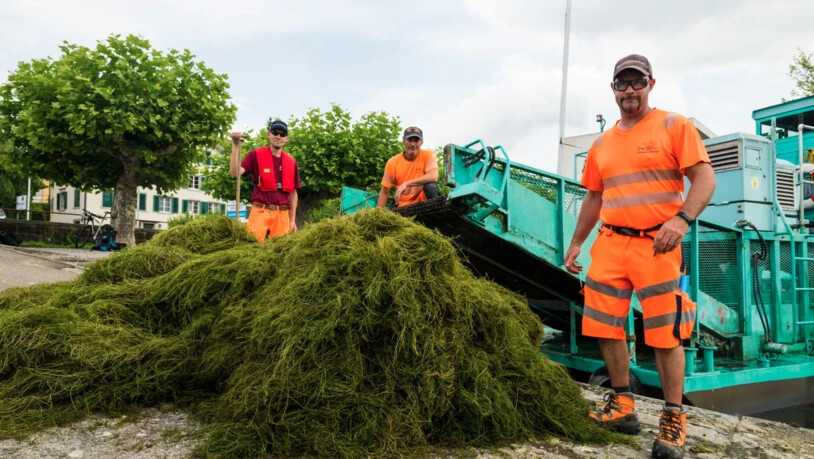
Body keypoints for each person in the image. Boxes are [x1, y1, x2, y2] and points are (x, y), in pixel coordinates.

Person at [563, 54, 716, 459]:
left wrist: (682, 221)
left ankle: (672, 418)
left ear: (651, 83)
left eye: (637, 82)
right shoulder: (602, 143)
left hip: (658, 244)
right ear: (612, 89)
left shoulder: (673, 125)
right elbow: (594, 197)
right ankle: (622, 405)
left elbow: (704, 177)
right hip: (611, 244)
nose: (630, 90)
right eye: (622, 83)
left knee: (665, 333)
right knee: (605, 327)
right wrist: (578, 242)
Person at [229, 119, 301, 242]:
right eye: (275, 133)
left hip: (282, 214)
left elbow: (293, 194)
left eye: (282, 134)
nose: (278, 136)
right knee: (252, 247)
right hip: (259, 211)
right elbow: (235, 173)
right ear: (269, 135)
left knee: (280, 252)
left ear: (286, 139)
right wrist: (236, 146)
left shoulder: (291, 162)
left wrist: (292, 220)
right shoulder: (255, 155)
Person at [376, 126, 440, 208]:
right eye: (409, 140)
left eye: (416, 140)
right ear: (403, 141)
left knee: (431, 186)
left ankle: (436, 216)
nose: (413, 144)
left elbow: (433, 176)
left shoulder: (428, 155)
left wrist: (406, 184)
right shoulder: (392, 162)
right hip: (404, 206)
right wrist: (378, 212)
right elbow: (385, 191)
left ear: (422, 142)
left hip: (423, 202)